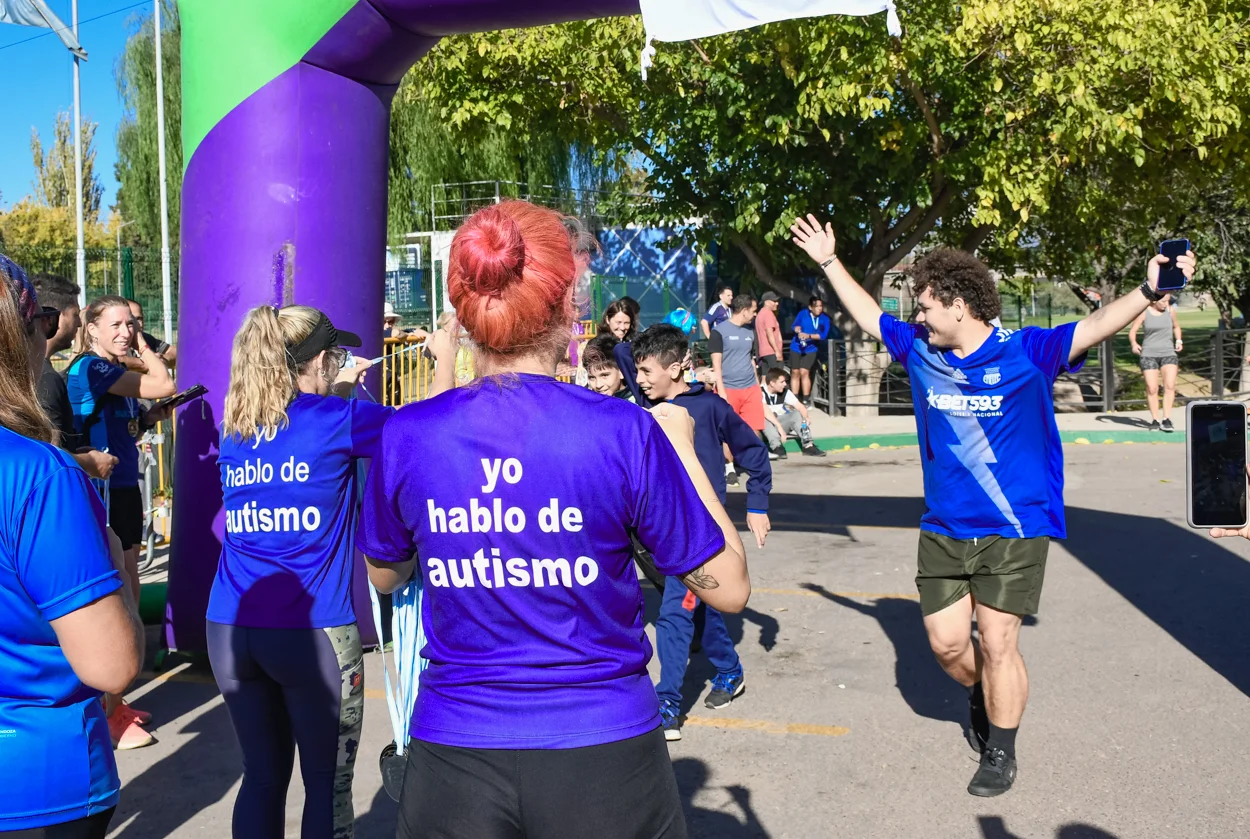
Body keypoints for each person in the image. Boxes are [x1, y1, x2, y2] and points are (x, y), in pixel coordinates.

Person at [355, 200, 750, 838]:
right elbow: (727, 587)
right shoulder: (624, 431)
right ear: (566, 305)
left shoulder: (409, 435)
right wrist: (682, 450)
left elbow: (384, 576)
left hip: (457, 754)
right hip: (604, 753)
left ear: (465, 308)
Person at [791, 212, 1195, 797]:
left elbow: (1097, 326)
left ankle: (1000, 747)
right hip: (945, 526)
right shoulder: (921, 350)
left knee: (999, 639)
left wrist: (1151, 290)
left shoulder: (1028, 350)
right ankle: (986, 695)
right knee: (948, 645)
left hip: (1017, 524)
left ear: (959, 305)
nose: (918, 317)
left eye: (926, 306)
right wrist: (829, 261)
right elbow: (869, 316)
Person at [208, 304, 387, 839]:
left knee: (261, 777)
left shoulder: (236, 429)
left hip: (231, 628)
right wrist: (445, 362)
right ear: (319, 361)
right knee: (325, 787)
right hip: (314, 636)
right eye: (336, 356)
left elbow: (298, 433)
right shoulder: (339, 419)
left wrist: (338, 394)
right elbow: (427, 432)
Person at [0, 255, 144, 836]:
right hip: (36, 781)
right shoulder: (40, 474)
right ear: (24, 337)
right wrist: (110, 555)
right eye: (41, 324)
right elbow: (112, 664)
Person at [620, 324, 771, 740]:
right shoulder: (646, 410)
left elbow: (754, 453)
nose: (642, 379)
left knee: (673, 614)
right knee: (699, 607)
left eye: (649, 371)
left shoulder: (710, 408)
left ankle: (667, 703)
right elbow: (620, 356)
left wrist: (757, 505)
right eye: (638, 372)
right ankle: (729, 670)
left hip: (702, 536)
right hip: (662, 530)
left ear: (677, 367)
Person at [66, 295, 174, 748]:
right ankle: (106, 715)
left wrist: (149, 419)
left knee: (130, 586)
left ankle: (117, 703)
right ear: (90, 329)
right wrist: (149, 349)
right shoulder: (95, 368)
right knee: (117, 590)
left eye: (130, 324)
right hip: (102, 488)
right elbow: (163, 380)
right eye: (115, 324)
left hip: (125, 487)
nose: (126, 332)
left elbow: (133, 416)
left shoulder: (111, 372)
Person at [30, 273, 119, 480]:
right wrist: (89, 463)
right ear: (51, 319)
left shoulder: (33, 372)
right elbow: (47, 454)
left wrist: (77, 451)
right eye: (75, 315)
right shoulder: (45, 379)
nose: (79, 324)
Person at [711, 294, 768, 441]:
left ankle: (752, 463)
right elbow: (716, 364)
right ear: (744, 310)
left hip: (751, 388)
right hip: (729, 388)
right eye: (753, 310)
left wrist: (757, 387)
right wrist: (721, 391)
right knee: (728, 430)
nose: (755, 314)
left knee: (754, 429)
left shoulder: (750, 332)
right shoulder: (718, 332)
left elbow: (750, 360)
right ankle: (729, 464)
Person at [1129, 294, 1182, 431]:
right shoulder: (1144, 312)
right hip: (1148, 354)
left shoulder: (1170, 311)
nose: (1166, 304)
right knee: (1152, 388)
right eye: (1163, 301)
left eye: (1168, 301)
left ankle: (1166, 419)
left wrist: (1179, 340)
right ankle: (1155, 419)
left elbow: (1176, 327)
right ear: (1154, 301)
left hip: (1168, 353)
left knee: (1169, 385)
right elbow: (1133, 331)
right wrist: (1134, 344)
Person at [760, 367, 825, 458]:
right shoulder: (760, 392)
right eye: (782, 382)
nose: (785, 384)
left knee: (796, 414)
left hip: (779, 427)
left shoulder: (785, 392)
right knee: (762, 417)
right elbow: (764, 411)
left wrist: (806, 417)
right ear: (772, 383)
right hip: (764, 430)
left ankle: (808, 446)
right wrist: (778, 426)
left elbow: (800, 406)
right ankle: (777, 447)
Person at [789, 295, 831, 406]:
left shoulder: (824, 319)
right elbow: (794, 325)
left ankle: (806, 399)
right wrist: (797, 329)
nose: (819, 308)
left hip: (811, 349)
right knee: (795, 372)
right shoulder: (803, 314)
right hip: (797, 346)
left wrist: (808, 336)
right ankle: (794, 399)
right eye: (816, 306)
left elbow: (822, 336)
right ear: (810, 307)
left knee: (804, 372)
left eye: (821, 306)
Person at [124, 298, 176, 370]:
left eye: (139, 319)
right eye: (132, 320)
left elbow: (175, 352)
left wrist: (163, 359)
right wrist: (145, 363)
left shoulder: (146, 338)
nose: (139, 324)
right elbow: (112, 361)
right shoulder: (114, 341)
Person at [582, 333, 633, 401]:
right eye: (592, 377)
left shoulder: (636, 404)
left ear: (622, 371)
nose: (598, 385)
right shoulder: (588, 401)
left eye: (604, 375)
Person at [755, 290, 784, 373]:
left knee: (768, 379)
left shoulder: (760, 314)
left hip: (764, 352)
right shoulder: (768, 314)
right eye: (774, 301)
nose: (777, 303)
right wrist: (777, 351)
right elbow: (769, 334)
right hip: (772, 352)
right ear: (767, 302)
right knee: (777, 378)